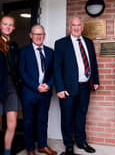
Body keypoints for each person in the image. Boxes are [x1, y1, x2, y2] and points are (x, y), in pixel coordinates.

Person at [54, 17, 99, 155]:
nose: (76, 27)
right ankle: (68, 145)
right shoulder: (61, 43)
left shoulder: (89, 42)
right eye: (73, 25)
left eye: (79, 25)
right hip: (68, 88)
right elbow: (56, 67)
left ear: (82, 26)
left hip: (85, 87)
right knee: (67, 117)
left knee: (81, 115)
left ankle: (81, 141)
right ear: (70, 27)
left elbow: (93, 62)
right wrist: (60, 88)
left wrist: (95, 80)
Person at [19, 24, 56, 155]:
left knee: (42, 120)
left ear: (44, 36)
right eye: (36, 34)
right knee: (29, 121)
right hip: (29, 92)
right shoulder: (23, 51)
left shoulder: (51, 52)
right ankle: (30, 149)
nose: (38, 37)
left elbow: (54, 72)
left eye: (41, 34)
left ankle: (42, 145)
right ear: (31, 36)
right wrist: (36, 85)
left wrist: (49, 84)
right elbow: (22, 72)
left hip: (45, 92)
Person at [0, 15, 21, 155]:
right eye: (5, 24)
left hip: (11, 86)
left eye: (10, 25)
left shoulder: (13, 46)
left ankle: (7, 152)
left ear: (13, 28)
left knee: (12, 123)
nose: (8, 27)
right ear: (0, 26)